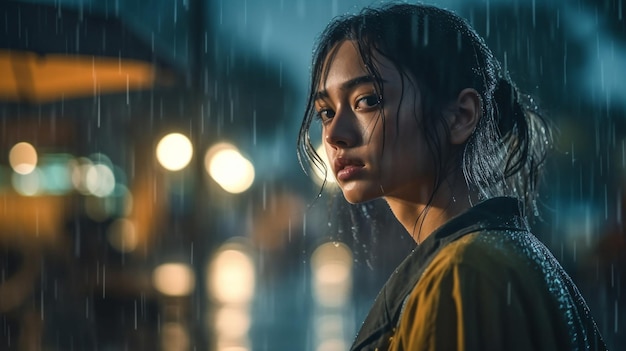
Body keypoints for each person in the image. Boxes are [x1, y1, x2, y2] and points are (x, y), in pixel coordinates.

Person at [297, 3, 607, 351]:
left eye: (367, 100)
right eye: (326, 112)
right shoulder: (505, 255)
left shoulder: (462, 276)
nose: (335, 134)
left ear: (460, 116)